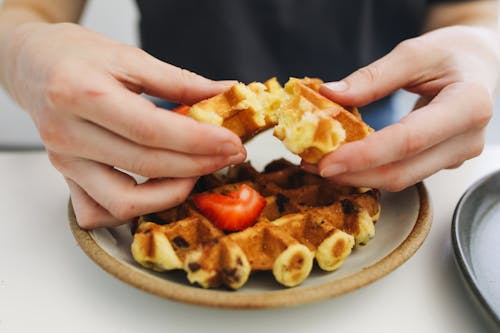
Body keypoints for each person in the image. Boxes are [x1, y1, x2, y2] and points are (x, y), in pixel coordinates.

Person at [0, 0, 497, 229]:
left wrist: (481, 48)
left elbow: (472, 9)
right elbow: (27, 10)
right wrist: (26, 52)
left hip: (384, 134)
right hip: (158, 133)